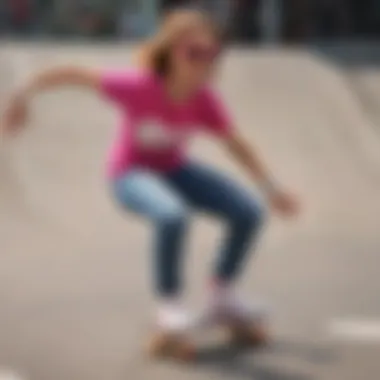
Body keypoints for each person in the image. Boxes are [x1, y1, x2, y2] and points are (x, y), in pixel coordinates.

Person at [1, 9, 298, 360]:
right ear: (172, 51)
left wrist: (272, 189)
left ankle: (222, 296)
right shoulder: (139, 86)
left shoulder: (204, 99)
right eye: (194, 53)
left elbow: (235, 144)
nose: (203, 63)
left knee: (248, 211)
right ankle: (169, 307)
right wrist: (21, 93)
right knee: (172, 216)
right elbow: (72, 75)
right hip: (129, 176)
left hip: (175, 170)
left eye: (212, 54)